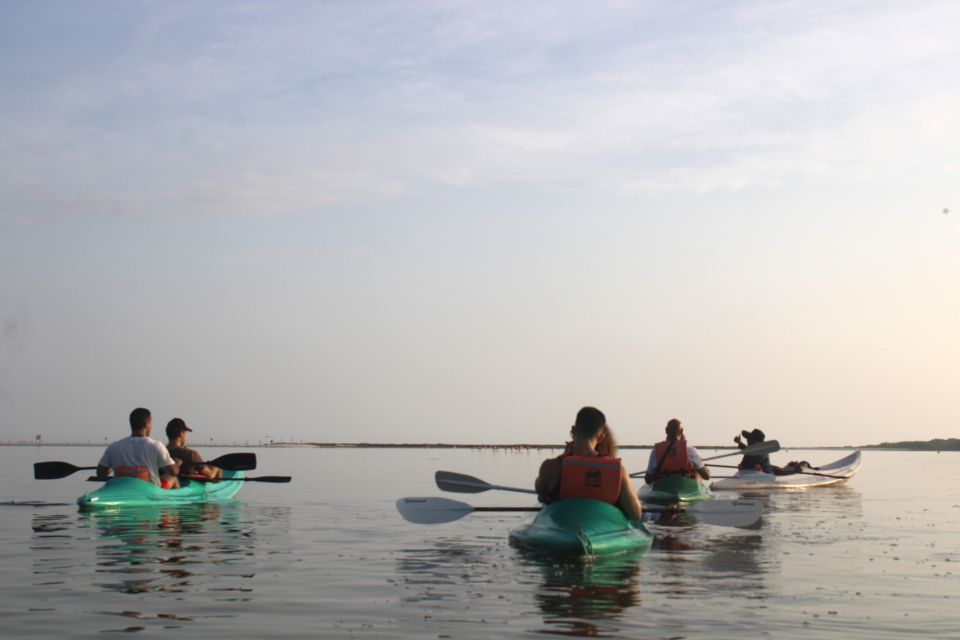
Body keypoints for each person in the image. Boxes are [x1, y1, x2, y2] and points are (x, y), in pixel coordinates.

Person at [535, 407, 643, 520]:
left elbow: (540, 492)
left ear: (573, 430)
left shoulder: (551, 466)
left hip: (563, 526)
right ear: (601, 437)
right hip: (601, 527)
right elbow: (635, 515)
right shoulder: (618, 470)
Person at [97, 407, 180, 488]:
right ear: (147, 424)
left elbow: (100, 473)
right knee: (173, 478)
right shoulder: (156, 446)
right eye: (151, 423)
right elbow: (173, 472)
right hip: (149, 492)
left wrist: (112, 466)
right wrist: (177, 463)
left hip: (121, 490)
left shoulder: (113, 447)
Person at [644, 418, 710, 484]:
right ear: (681, 431)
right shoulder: (691, 451)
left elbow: (648, 479)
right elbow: (706, 477)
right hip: (685, 486)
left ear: (666, 431)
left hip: (664, 486)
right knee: (697, 471)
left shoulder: (655, 451)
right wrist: (706, 469)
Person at [735, 428, 812, 475]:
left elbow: (753, 458)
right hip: (753, 472)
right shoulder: (752, 449)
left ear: (756, 442)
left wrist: (744, 466)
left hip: (765, 474)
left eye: (750, 439)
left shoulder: (762, 451)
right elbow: (748, 451)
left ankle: (795, 471)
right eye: (748, 439)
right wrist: (739, 443)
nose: (747, 440)